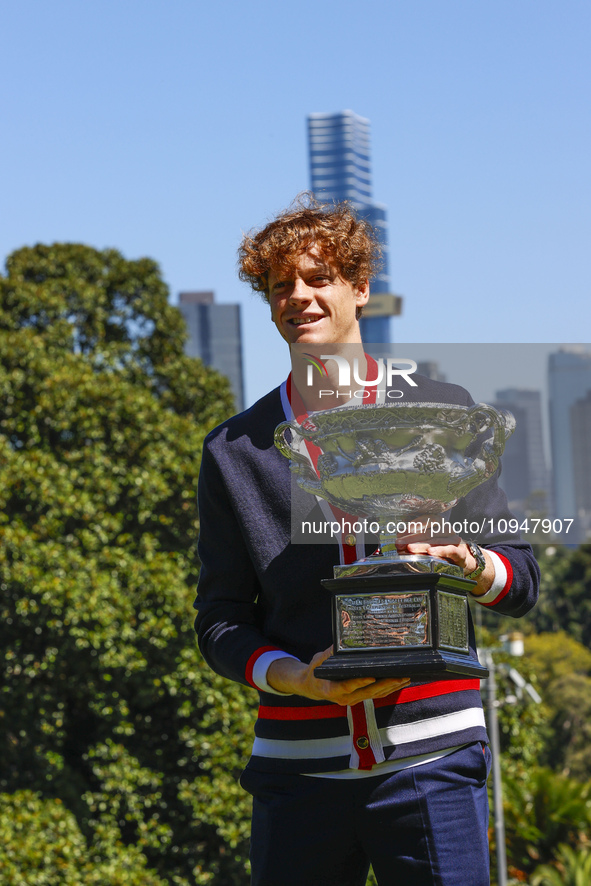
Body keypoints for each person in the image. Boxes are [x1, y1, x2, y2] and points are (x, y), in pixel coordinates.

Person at [194, 197, 539, 886]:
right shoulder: (234, 450)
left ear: (360, 288)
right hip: (297, 776)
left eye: (318, 277)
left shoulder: (442, 413)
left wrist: (467, 563)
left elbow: (519, 578)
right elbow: (219, 622)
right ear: (267, 304)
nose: (299, 296)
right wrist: (293, 677)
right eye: (279, 285)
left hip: (432, 762)